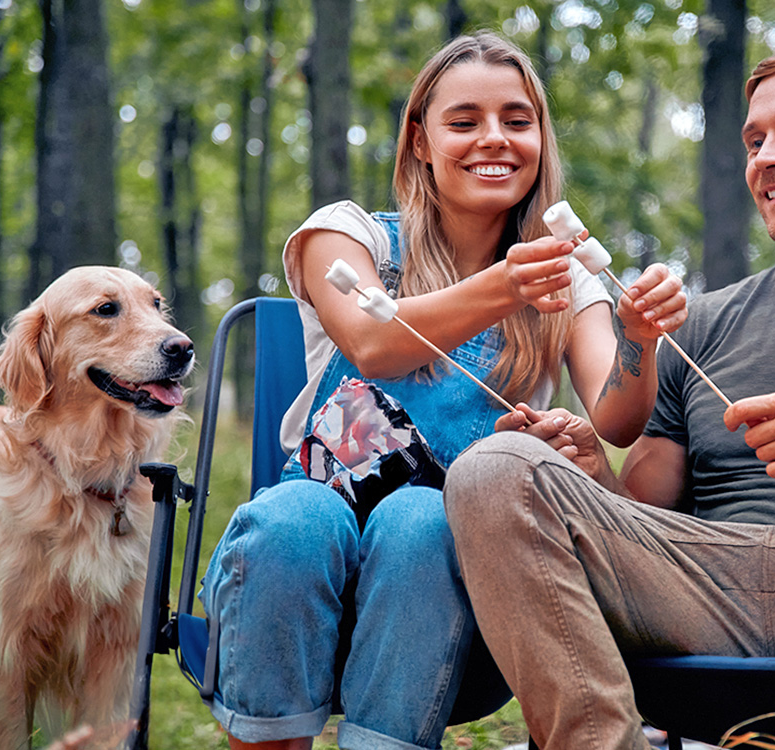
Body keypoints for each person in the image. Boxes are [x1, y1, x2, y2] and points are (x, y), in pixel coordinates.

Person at [444, 34, 775, 750]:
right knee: (493, 467)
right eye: (754, 141)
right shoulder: (700, 323)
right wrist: (590, 470)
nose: (767, 157)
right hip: (700, 579)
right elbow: (642, 518)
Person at [199, 31, 688, 750]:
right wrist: (505, 285)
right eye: (464, 121)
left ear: (540, 139)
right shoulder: (348, 236)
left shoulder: (567, 282)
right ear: (420, 140)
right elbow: (373, 341)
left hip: (448, 594)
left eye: (517, 121)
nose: (495, 139)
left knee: (423, 519)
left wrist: (638, 338)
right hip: (300, 575)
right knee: (298, 514)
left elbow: (617, 418)